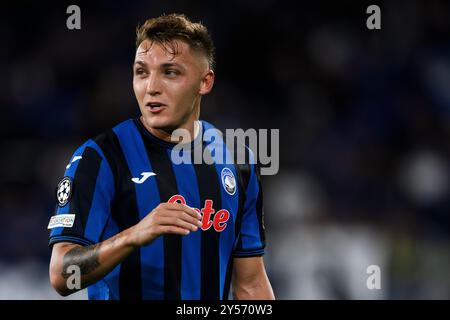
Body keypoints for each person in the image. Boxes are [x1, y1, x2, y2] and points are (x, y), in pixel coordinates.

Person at [48, 13, 274, 300]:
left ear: (205, 82)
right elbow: (62, 276)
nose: (151, 87)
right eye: (141, 72)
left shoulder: (238, 160)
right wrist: (134, 235)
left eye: (170, 72)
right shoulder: (100, 158)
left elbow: (250, 284)